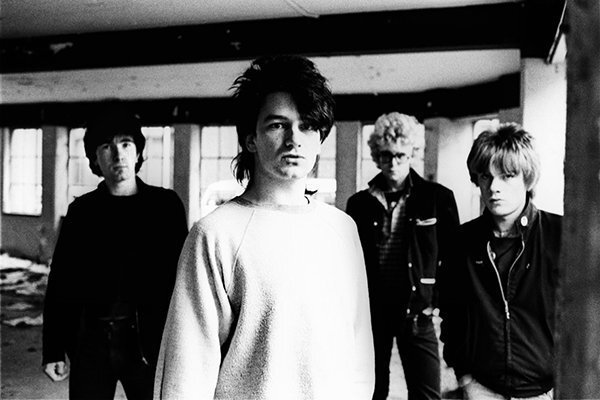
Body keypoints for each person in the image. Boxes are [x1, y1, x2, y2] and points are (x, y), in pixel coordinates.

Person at [154, 55, 374, 400]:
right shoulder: (215, 234)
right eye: (277, 125)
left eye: (307, 126)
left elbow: (359, 347)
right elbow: (188, 367)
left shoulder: (342, 229)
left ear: (320, 138)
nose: (294, 140)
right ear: (250, 138)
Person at [42, 106, 189, 400]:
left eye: (125, 144)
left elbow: (184, 280)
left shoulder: (164, 207)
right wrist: (53, 350)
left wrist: (185, 344)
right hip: (91, 341)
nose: (118, 154)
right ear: (95, 159)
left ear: (138, 152)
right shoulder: (82, 212)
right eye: (106, 147)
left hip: (149, 340)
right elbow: (61, 283)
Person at [439, 123, 561, 400]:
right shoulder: (461, 242)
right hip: (482, 389)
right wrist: (465, 378)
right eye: (486, 176)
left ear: (527, 178)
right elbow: (451, 316)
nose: (494, 187)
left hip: (546, 391)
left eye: (507, 176)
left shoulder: (559, 235)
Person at [346, 112, 459, 400]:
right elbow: (349, 265)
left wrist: (437, 304)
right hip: (374, 313)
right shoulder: (359, 204)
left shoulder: (437, 198)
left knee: (426, 394)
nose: (393, 163)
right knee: (371, 392)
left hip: (418, 311)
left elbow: (453, 259)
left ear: (412, 153)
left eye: (400, 155)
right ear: (376, 156)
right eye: (386, 155)